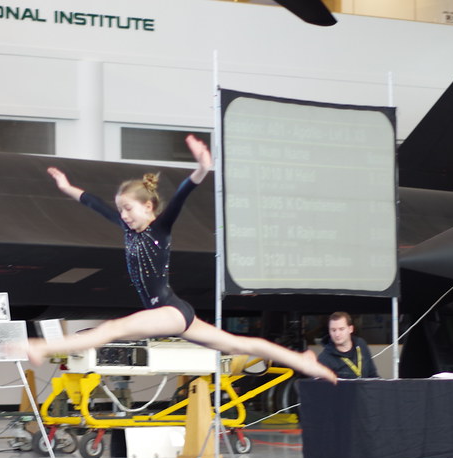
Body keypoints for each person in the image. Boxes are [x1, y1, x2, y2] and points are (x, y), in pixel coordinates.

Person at [28, 134, 336, 384]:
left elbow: (182, 195)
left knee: (110, 329)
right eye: (121, 210)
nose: (123, 216)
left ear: (148, 207)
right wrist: (67, 187)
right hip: (175, 313)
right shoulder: (126, 227)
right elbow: (94, 203)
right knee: (239, 345)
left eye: (129, 209)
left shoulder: (160, 227)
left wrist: (201, 167)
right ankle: (302, 360)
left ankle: (43, 347)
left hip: (169, 310)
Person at [317, 311, 379, 379]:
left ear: (350, 329)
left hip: (366, 389)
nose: (337, 334)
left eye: (341, 329)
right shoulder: (324, 359)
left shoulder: (361, 344)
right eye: (333, 330)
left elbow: (373, 375)